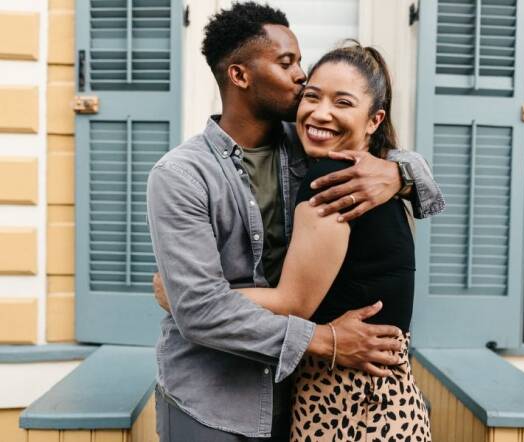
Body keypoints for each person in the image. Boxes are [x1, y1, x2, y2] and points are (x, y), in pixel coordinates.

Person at [146, 3, 443, 441]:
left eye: (301, 61)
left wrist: (400, 173)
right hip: (212, 400)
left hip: (297, 397)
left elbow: (373, 144)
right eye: (287, 63)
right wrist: (323, 339)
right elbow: (201, 314)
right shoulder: (181, 176)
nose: (301, 76)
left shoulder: (311, 148)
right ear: (240, 75)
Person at [234, 43, 432, 441]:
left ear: (374, 120)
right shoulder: (373, 176)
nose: (321, 113)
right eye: (312, 97)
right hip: (384, 406)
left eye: (342, 102)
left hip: (349, 408)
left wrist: (190, 292)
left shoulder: (332, 180)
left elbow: (292, 303)